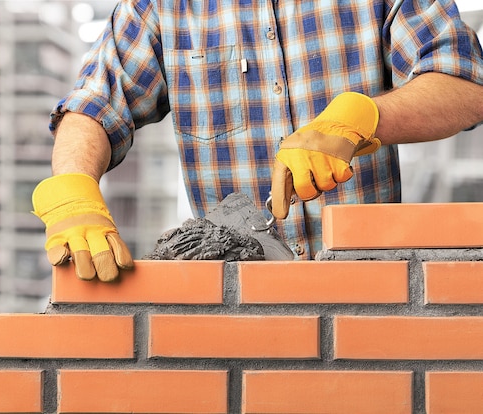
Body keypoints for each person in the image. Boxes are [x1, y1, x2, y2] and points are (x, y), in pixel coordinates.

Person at [32, 0, 483, 282]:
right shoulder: (162, 7)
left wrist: (365, 116)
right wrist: (73, 190)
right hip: (236, 304)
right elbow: (94, 104)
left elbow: (465, 85)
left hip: (372, 293)